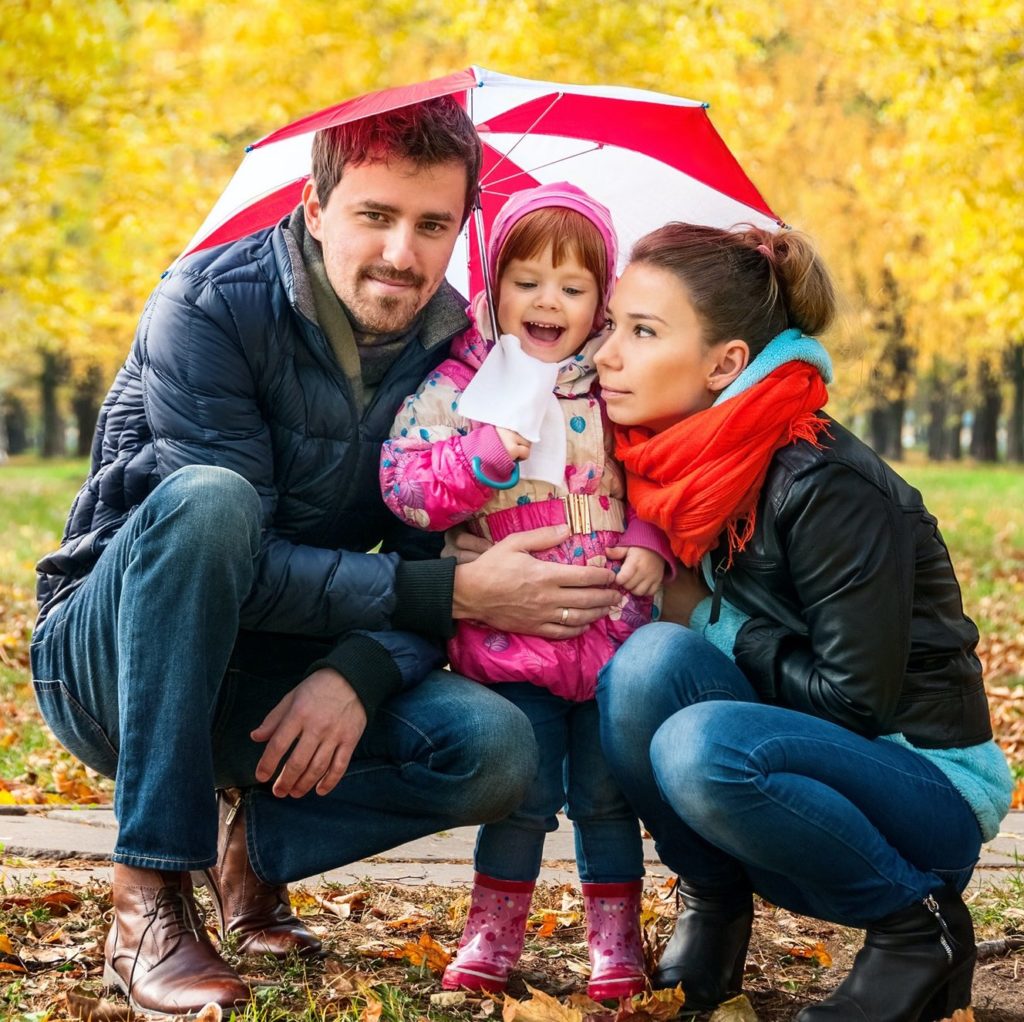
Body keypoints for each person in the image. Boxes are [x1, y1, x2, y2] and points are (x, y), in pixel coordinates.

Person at [29, 99, 623, 1017]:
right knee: (211, 500)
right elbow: (246, 553)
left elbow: (445, 552)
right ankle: (147, 897)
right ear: (315, 207)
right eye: (375, 216)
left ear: (463, 228)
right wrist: (455, 592)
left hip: (281, 674)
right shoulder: (208, 305)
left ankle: (256, 846)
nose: (401, 253)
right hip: (113, 663)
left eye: (431, 225)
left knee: (497, 747)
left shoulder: (468, 350)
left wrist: (357, 671)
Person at [591, 222, 1013, 1021]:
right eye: (613, 324)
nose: (607, 352)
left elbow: (858, 703)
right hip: (801, 773)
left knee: (696, 741)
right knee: (643, 667)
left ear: (727, 363)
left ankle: (914, 930)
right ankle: (713, 907)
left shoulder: (822, 482)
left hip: (922, 792)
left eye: (642, 332)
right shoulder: (690, 465)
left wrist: (710, 616)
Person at [380, 182, 672, 1001]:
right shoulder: (459, 388)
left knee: (608, 797)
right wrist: (480, 460)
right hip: (514, 647)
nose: (549, 301)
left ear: (601, 300)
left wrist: (650, 541)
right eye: (528, 281)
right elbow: (403, 484)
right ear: (493, 282)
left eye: (574, 288)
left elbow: (661, 474)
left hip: (612, 632)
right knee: (523, 798)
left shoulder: (613, 383)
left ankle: (614, 943)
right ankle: (493, 933)